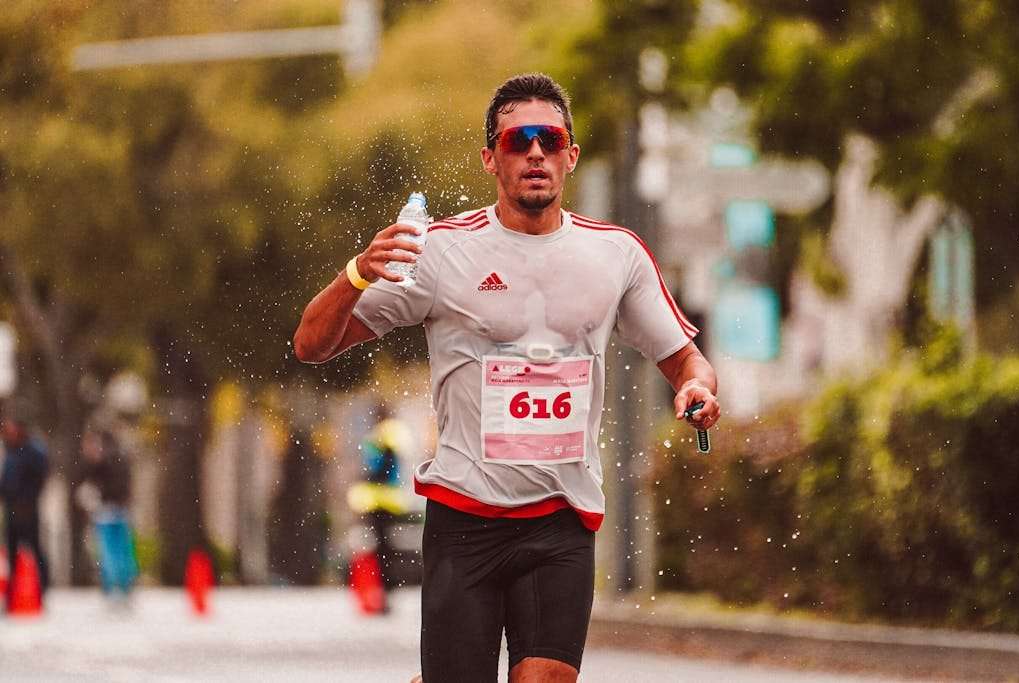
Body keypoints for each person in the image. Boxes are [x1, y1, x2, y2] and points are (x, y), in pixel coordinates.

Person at [294, 73, 720, 682]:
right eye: (518, 141)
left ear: (572, 155)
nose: (535, 153)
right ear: (491, 159)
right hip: (464, 518)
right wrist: (357, 273)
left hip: (561, 520)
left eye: (550, 139)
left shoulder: (616, 254)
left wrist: (696, 388)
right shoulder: (439, 252)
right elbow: (312, 344)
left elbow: (684, 360)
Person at [346, 402, 412, 612]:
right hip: (382, 500)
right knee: (384, 549)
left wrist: (370, 477)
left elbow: (385, 466)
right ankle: (384, 592)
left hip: (382, 501)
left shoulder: (386, 434)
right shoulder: (388, 434)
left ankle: (384, 591)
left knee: (383, 549)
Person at [0, 401, 50, 613]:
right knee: (11, 551)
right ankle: (12, 595)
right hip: (11, 509)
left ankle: (42, 590)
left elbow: (39, 479)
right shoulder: (10, 450)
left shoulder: (33, 451)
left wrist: (27, 500)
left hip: (28, 510)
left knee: (34, 549)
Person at [79, 427, 138, 604]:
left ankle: (114, 585)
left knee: (110, 551)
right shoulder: (121, 459)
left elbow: (94, 482)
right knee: (121, 550)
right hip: (118, 509)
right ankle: (124, 584)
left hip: (107, 510)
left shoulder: (103, 462)